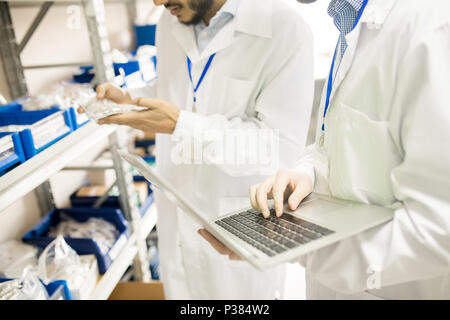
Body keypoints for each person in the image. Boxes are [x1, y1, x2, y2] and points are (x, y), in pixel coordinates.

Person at [199, 0, 450, 299]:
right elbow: (352, 143)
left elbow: (439, 230)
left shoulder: (430, 27)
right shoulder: (350, 22)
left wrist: (299, 245)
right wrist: (308, 173)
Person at [91, 0, 314, 299]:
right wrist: (132, 98)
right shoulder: (170, 22)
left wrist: (182, 125)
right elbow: (178, 88)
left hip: (238, 227)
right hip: (177, 221)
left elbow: (277, 148)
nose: (156, 2)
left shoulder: (285, 27)